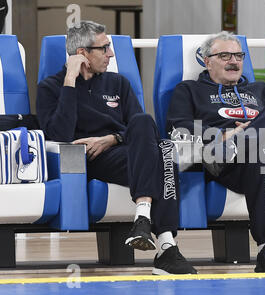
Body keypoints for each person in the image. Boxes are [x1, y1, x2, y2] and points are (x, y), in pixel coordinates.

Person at [36, 20, 196, 275]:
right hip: (89, 159)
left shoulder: (118, 83)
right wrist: (70, 79)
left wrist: (112, 138)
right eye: (104, 48)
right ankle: (167, 247)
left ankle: (144, 219)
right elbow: (60, 134)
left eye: (110, 46)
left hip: (126, 151)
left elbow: (141, 127)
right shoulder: (51, 87)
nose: (111, 53)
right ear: (82, 54)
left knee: (153, 134)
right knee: (164, 152)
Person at [166, 31, 265, 273]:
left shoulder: (263, 90)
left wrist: (245, 134)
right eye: (225, 55)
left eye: (238, 55)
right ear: (207, 61)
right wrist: (224, 135)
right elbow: (177, 128)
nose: (234, 61)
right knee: (262, 154)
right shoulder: (189, 90)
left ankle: (241, 144)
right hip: (226, 165)